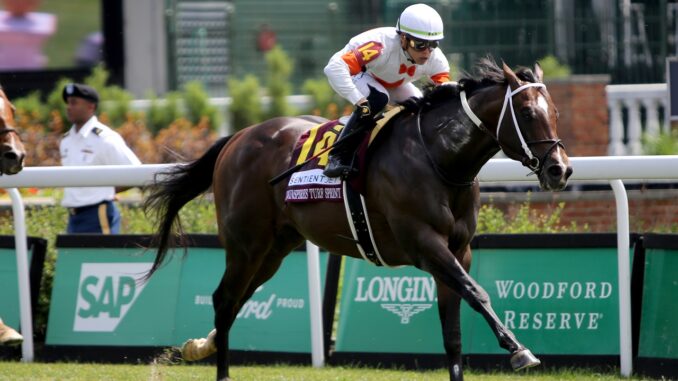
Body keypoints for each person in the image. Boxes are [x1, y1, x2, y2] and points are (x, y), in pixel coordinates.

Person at [323, 3, 451, 178]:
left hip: (392, 82)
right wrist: (358, 100)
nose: (427, 52)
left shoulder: (437, 59)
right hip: (354, 73)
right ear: (403, 39)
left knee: (422, 108)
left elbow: (445, 93)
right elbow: (333, 68)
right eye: (419, 44)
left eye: (433, 44)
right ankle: (338, 156)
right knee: (378, 99)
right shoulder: (379, 47)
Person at [60, 83, 141, 234]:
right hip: (73, 217)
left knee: (101, 257)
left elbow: (136, 172)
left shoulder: (104, 138)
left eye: (74, 103)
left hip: (98, 214)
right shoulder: (66, 140)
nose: (68, 107)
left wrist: (107, 192)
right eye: (68, 103)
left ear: (91, 106)